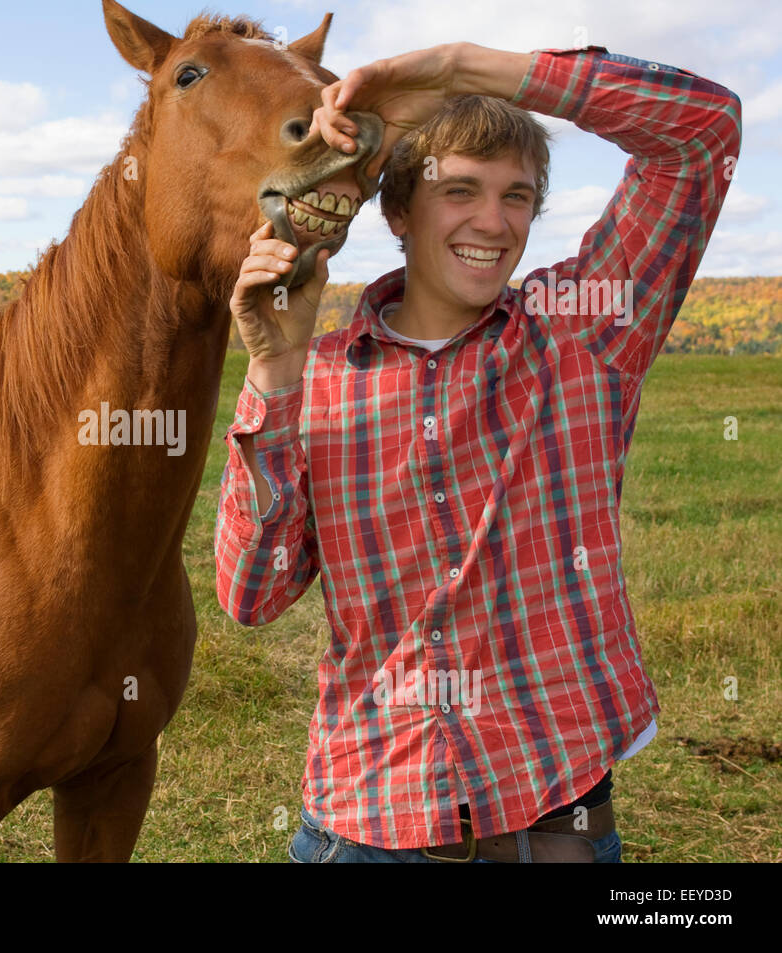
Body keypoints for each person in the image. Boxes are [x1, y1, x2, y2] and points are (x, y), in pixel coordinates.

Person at [215, 41, 741, 862]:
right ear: (397, 211)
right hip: (369, 828)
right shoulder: (317, 378)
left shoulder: (583, 332)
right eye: (458, 190)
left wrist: (462, 68)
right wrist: (273, 370)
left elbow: (703, 131)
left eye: (517, 197)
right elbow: (252, 594)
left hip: (556, 828)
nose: (493, 222)